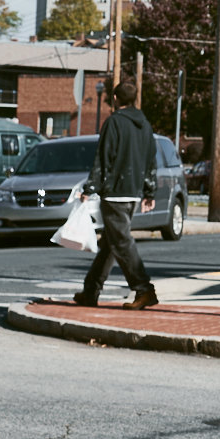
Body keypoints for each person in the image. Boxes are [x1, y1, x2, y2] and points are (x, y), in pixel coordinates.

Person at [76, 81, 158, 310]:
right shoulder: (145, 125)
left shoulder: (113, 123)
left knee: (121, 243)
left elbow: (103, 158)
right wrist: (149, 191)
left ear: (115, 98)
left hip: (115, 194)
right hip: (133, 193)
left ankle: (144, 289)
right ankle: (90, 291)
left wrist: (90, 188)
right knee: (111, 244)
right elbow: (151, 159)